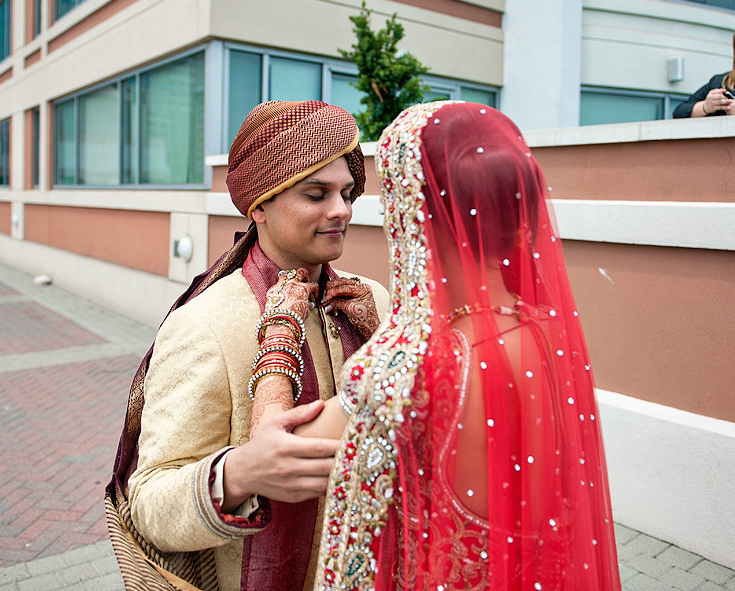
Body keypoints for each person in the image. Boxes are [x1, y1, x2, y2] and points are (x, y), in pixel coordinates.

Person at [249, 100, 622, 590]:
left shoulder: (415, 364)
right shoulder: (547, 331)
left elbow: (275, 451)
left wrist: (279, 327)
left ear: (415, 219)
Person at [107, 100, 389, 591]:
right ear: (259, 204)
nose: (341, 210)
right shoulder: (205, 324)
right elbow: (148, 502)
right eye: (316, 194)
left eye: (346, 192)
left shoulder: (373, 300)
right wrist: (240, 474)